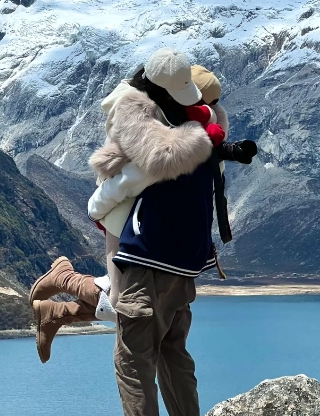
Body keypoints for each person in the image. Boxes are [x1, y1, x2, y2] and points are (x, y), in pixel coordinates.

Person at [30, 49, 256, 370]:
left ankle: (56, 312)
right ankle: (65, 279)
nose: (213, 109)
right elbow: (132, 175)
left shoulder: (176, 117)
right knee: (125, 303)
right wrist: (97, 208)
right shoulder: (145, 119)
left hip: (147, 223)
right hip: (127, 217)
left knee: (132, 307)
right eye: (208, 102)